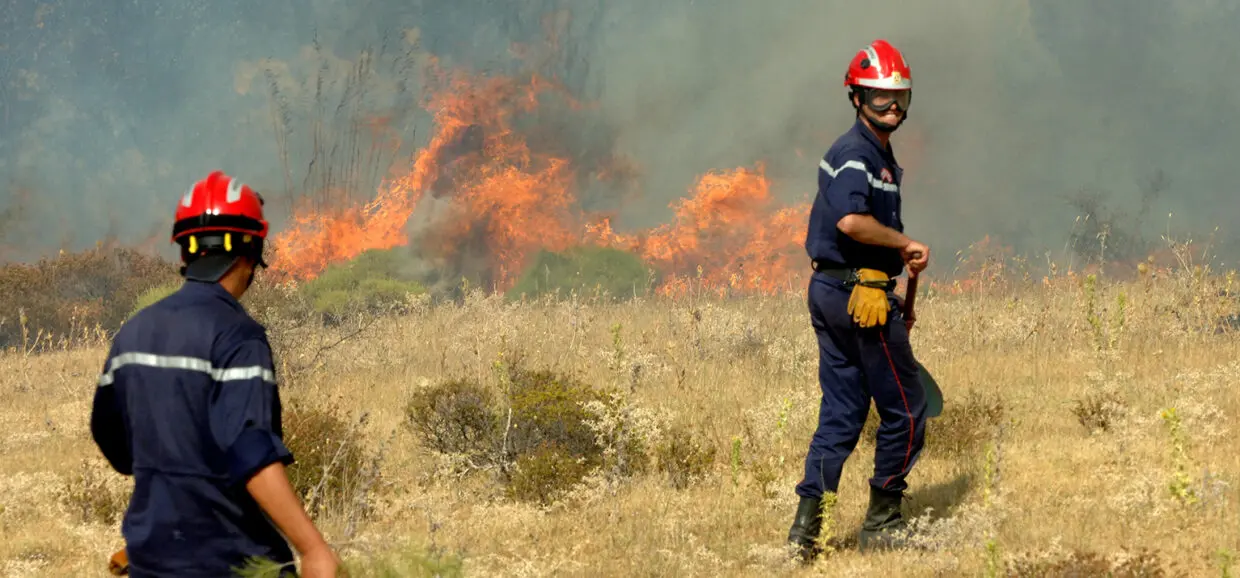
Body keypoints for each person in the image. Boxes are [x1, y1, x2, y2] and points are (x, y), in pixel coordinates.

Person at [90, 170, 343, 577]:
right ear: (251, 251)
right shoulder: (238, 335)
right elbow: (249, 450)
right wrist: (313, 549)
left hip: (150, 559)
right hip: (230, 561)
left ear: (185, 251)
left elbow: (112, 438)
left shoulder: (134, 331)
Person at [787, 39, 931, 559]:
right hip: (858, 296)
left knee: (843, 411)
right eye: (878, 98)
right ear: (855, 97)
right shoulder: (857, 153)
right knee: (908, 410)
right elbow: (850, 220)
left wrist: (897, 256)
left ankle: (806, 533)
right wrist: (904, 243)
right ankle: (883, 523)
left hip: (832, 290)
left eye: (900, 98)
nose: (892, 107)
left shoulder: (875, 152)